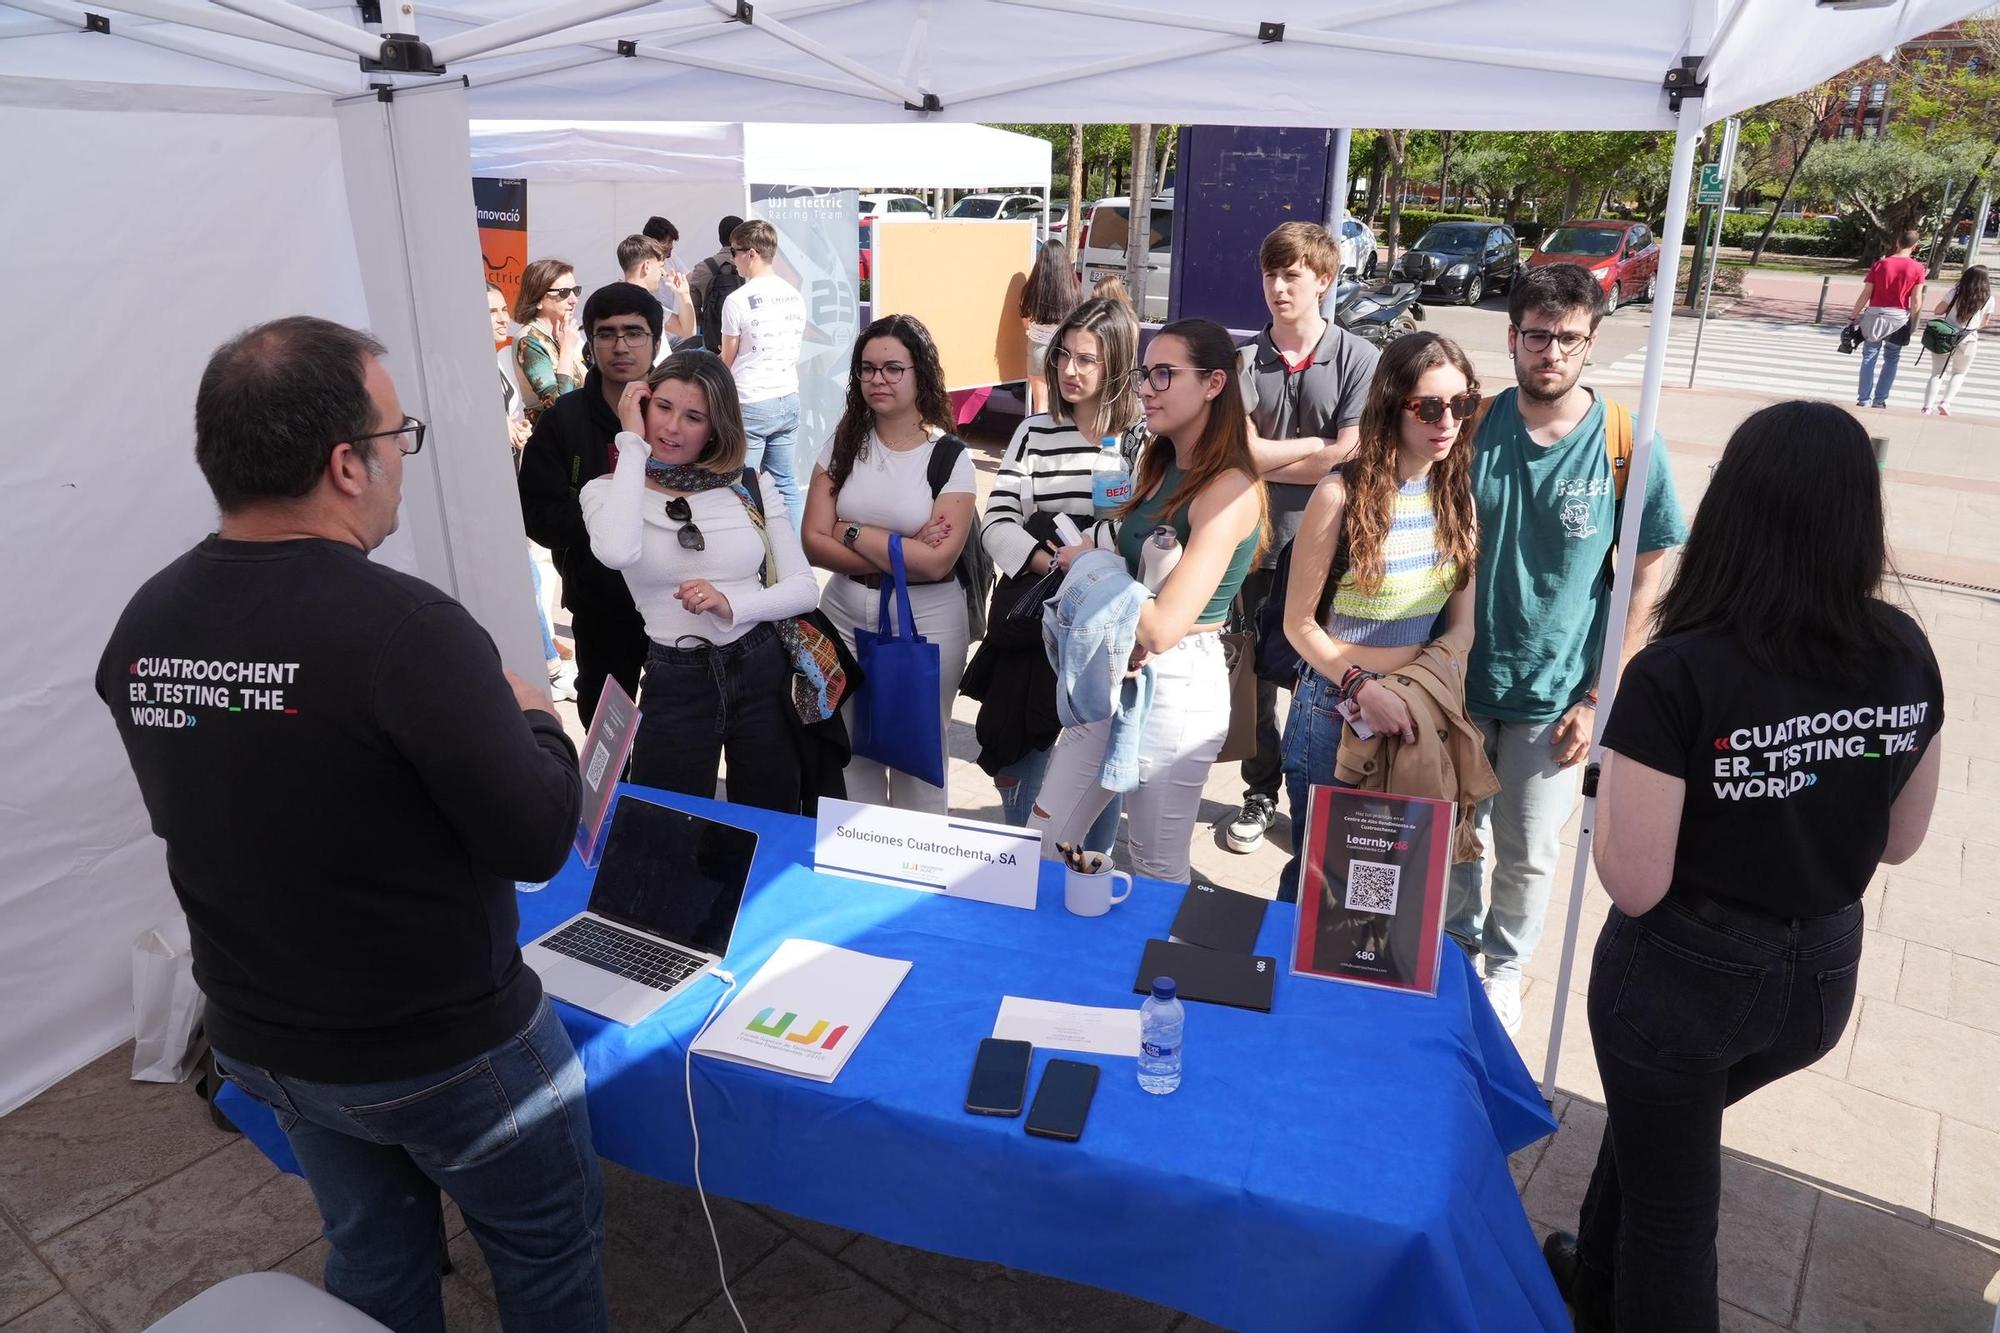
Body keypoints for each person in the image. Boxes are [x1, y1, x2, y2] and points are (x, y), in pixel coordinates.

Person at [96, 317, 604, 1333]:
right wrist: (538, 715)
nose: (400, 468)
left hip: (264, 1036)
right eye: (397, 438)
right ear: (345, 464)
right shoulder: (406, 632)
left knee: (375, 1255)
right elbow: (540, 838)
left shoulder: (145, 626)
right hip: (445, 1052)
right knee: (545, 1252)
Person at [1543, 401, 1942, 1333]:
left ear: (1733, 507)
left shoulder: (1679, 670)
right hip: (1817, 981)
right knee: (1657, 1146)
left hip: (1686, 979)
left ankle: (1620, 1291)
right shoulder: (1904, 649)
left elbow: (1633, 881)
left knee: (1673, 1217)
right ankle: (1595, 1285)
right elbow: (1901, 838)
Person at [1451, 263, 1687, 1036]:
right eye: (1537, 335)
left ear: (1592, 343)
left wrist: (1600, 698)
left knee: (1527, 851)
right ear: (1512, 337)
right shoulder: (1473, 426)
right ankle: (1453, 955)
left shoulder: (1627, 443)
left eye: (1569, 339)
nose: (1551, 352)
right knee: (1456, 839)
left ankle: (1504, 969)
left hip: (1556, 696)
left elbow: (1647, 579)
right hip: (1457, 682)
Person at [1029, 318, 1266, 883]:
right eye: (1144, 374)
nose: (1147, 388)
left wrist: (1087, 565)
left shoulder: (1230, 488)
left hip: (1178, 680)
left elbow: (1162, 628)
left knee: (1156, 864)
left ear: (1214, 383)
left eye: (1164, 373)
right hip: (1115, 668)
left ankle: (1155, 973)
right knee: (1042, 842)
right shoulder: (1160, 463)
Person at [1277, 332, 1481, 901]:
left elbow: (1462, 625)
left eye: (1462, 404)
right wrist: (1362, 687)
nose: (1448, 421)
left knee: (1386, 891)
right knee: (1321, 883)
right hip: (1336, 710)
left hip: (1416, 710)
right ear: (1393, 404)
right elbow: (1299, 625)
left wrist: (1415, 688)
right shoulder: (1339, 494)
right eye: (1430, 406)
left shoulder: (1456, 494)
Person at [581, 350, 818, 810]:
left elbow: (804, 587)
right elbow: (615, 552)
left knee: (770, 821)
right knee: (664, 827)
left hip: (760, 665)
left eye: (694, 417)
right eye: (663, 407)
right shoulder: (608, 490)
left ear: (716, 428)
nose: (672, 428)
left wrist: (733, 604)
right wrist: (631, 442)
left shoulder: (748, 482)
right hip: (676, 675)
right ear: (642, 405)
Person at [1227, 221, 1381, 857]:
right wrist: (1315, 449)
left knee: (1321, 680)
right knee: (1255, 677)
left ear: (1325, 279)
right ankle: (1260, 793)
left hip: (1332, 550)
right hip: (1256, 543)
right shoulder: (1243, 360)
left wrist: (1269, 455)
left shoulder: (1359, 359)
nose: (1278, 287)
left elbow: (1353, 453)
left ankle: (1316, 800)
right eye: (1271, 273)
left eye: (1292, 274)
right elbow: (1237, 455)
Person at [971, 296, 1145, 848]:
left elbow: (1147, 529)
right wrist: (1050, 563)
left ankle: (1087, 890)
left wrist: (1087, 557)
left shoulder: (1145, 439)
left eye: (1087, 359)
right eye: (1064, 355)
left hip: (1107, 635)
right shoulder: (1033, 432)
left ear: (1115, 362)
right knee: (1027, 781)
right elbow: (996, 518)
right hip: (1035, 627)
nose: (1070, 370)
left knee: (1095, 796)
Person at [800, 314, 975, 813]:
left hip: (926, 622)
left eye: (893, 368)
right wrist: (900, 546)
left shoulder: (949, 458)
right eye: (867, 368)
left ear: (920, 373)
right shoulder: (842, 444)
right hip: (843, 613)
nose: (878, 379)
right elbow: (812, 541)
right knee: (851, 754)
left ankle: (918, 870)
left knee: (919, 754)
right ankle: (857, 863)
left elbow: (937, 562)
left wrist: (850, 529)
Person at [518, 282, 664, 725]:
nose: (621, 346)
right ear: (590, 340)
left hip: (674, 600)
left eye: (634, 332)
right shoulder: (564, 419)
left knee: (673, 725)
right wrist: (603, 514)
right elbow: (537, 515)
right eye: (607, 333)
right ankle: (605, 796)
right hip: (599, 600)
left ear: (655, 340)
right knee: (604, 720)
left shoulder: (682, 412)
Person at [489, 282, 575, 702]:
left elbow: (516, 410)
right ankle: (548, 663)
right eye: (563, 291)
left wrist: (514, 425)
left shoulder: (498, 359)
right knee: (529, 572)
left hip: (512, 478)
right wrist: (570, 353)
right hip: (492, 489)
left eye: (503, 309)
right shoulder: (529, 347)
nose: (503, 319)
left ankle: (544, 653)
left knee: (532, 572)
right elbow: (561, 400)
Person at [719, 219, 808, 520]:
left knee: (742, 486)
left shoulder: (737, 300)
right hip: (787, 396)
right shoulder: (794, 295)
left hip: (751, 401)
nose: (732, 259)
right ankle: (794, 560)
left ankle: (753, 561)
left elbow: (726, 360)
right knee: (785, 484)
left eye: (735, 251)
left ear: (752, 253)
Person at [1848, 228, 1928, 409]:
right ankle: (1880, 400)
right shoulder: (1917, 268)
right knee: (1892, 357)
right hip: (1898, 318)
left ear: (1897, 242)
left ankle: (1863, 399)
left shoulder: (1880, 264)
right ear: (1915, 246)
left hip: (1874, 315)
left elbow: (1866, 293)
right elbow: (1916, 299)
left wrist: (1853, 316)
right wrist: (1915, 321)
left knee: (1869, 356)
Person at [511, 257, 584, 424]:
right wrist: (566, 350)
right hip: (551, 442)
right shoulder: (528, 340)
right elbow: (559, 404)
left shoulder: (561, 335)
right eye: (564, 292)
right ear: (538, 300)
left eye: (576, 291)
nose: (574, 300)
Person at [1921, 264, 1992, 417]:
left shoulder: (1954, 292)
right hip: (1969, 339)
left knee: (1937, 373)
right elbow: (1984, 322)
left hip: (1945, 336)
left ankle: (1927, 407)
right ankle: (1945, 402)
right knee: (1959, 373)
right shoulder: (1988, 298)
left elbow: (1937, 311)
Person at [1019, 240, 1080, 414]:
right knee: (1061, 404)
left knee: (1040, 404)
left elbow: (1025, 317)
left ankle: (1039, 439)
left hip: (1037, 348)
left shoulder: (1030, 289)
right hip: (1061, 351)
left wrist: (1030, 331)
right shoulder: (1073, 290)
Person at [618, 233, 695, 355]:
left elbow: (688, 331)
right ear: (647, 266)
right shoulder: (647, 305)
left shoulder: (612, 300)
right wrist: (684, 295)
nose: (662, 273)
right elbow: (688, 331)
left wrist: (683, 294)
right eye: (660, 266)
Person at [689, 213, 744, 318]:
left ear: (719, 238)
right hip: (746, 331)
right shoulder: (752, 265)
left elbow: (693, 312)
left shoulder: (702, 268)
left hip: (713, 333)